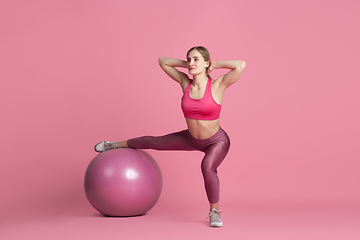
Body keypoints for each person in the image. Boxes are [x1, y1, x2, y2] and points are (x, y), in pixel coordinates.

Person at [94, 46, 246, 227]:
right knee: (154, 142)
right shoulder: (185, 83)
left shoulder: (217, 85)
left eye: (196, 59)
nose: (191, 63)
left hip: (217, 142)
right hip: (191, 138)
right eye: (189, 59)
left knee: (207, 166)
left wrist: (214, 64)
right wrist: (188, 65)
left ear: (206, 62)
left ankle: (214, 212)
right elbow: (163, 61)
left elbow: (240, 65)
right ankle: (113, 145)